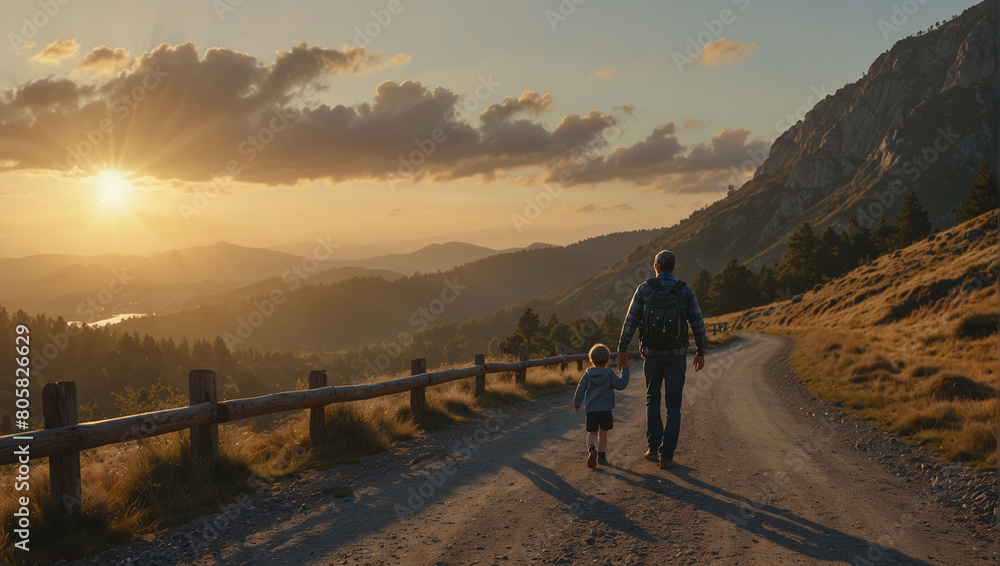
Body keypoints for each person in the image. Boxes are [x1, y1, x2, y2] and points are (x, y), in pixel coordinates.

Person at [617, 249, 707, 470]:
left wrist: (621, 349)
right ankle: (667, 455)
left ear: (655, 266)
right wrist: (701, 351)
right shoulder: (685, 290)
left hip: (651, 354)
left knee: (652, 400)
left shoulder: (645, 289)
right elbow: (697, 323)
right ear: (674, 268)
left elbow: (630, 321)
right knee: (673, 406)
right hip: (677, 356)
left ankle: (652, 449)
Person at [573, 343, 630, 469]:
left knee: (592, 433)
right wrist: (625, 370)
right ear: (608, 360)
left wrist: (577, 403)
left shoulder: (587, 375)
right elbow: (621, 385)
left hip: (591, 410)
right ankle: (602, 456)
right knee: (603, 433)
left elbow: (581, 389)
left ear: (591, 359)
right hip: (605, 409)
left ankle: (591, 449)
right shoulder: (609, 374)